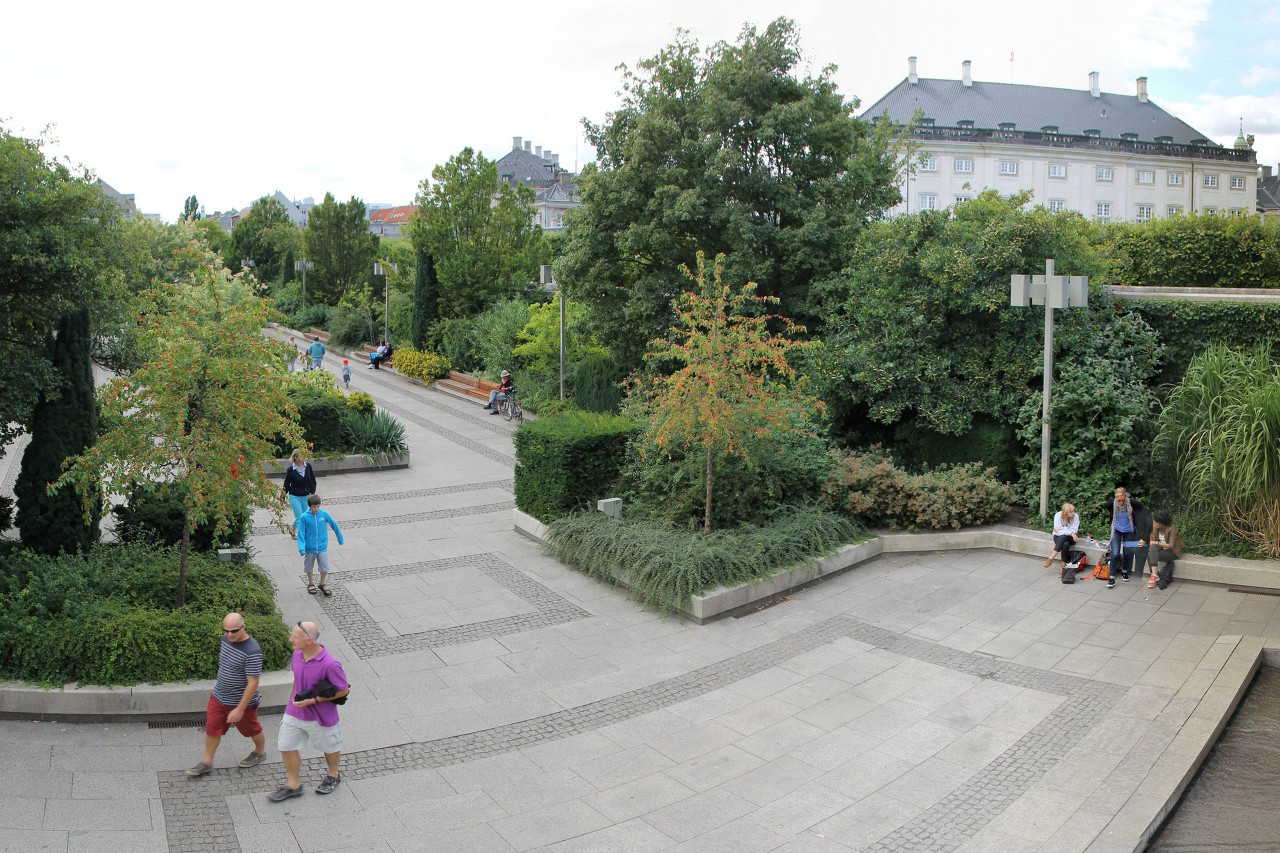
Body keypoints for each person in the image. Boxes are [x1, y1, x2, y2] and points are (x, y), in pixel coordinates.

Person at [268, 621, 350, 802]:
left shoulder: (331, 664)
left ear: (310, 641)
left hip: (321, 716)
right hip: (294, 712)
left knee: (330, 747)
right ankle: (293, 784)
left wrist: (314, 700)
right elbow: (297, 680)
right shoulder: (297, 654)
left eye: (295, 637)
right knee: (286, 745)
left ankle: (333, 775)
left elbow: (343, 690)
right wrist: (290, 703)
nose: (290, 640)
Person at [185, 613, 267, 777]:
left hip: (241, 703)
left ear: (243, 627)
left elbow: (253, 683)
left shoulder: (252, 651)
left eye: (234, 631)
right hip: (219, 697)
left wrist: (240, 709)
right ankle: (207, 762)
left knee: (252, 729)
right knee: (212, 728)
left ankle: (259, 752)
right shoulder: (225, 640)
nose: (229, 635)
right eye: (226, 631)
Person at [1103, 485, 1150, 589]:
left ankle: (1124, 571)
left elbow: (1143, 509)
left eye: (1122, 500)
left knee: (1127, 552)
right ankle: (1111, 578)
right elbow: (1105, 505)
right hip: (1117, 530)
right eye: (1118, 500)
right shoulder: (1112, 503)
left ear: (1126, 497)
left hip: (1129, 531)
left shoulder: (1132, 503)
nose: (1121, 503)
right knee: (1114, 553)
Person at [297, 494, 343, 596]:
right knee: (309, 566)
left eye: (318, 506)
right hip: (310, 548)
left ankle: (322, 583)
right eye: (314, 507)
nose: (316, 509)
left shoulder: (324, 514)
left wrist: (340, 537)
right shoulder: (304, 517)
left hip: (322, 547)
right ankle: (310, 583)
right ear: (310, 506)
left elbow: (333, 524)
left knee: (325, 566)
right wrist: (301, 548)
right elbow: (300, 533)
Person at [281, 450, 316, 537]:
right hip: (294, 496)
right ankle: (303, 536)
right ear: (295, 458)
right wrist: (282, 498)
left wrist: (312, 492)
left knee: (302, 517)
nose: (303, 457)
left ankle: (292, 530)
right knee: (300, 518)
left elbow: (312, 480)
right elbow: (286, 484)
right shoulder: (291, 470)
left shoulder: (308, 466)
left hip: (306, 496)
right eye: (301, 456)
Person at [1147, 511, 1184, 590]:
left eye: (1156, 522)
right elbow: (1152, 541)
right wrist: (1154, 530)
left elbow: (1171, 546)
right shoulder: (1156, 527)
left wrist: (1156, 542)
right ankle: (1154, 575)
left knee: (1151, 554)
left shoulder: (1172, 529)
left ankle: (1154, 576)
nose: (1154, 523)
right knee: (1151, 550)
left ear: (1162, 523)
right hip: (1161, 549)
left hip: (1172, 552)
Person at [1043, 502, 1080, 568]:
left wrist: (1061, 528)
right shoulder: (1058, 515)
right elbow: (1058, 532)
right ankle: (1063, 565)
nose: (1073, 513)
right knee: (1065, 544)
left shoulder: (1076, 516)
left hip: (1072, 538)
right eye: (1071, 512)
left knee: (1064, 536)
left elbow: (1074, 530)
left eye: (1073, 511)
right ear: (1065, 512)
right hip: (1058, 537)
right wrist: (1069, 532)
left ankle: (1051, 558)